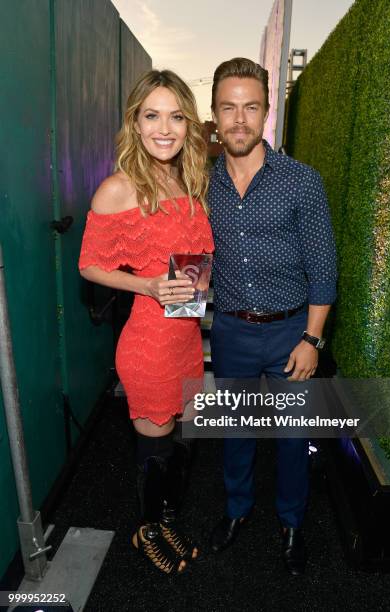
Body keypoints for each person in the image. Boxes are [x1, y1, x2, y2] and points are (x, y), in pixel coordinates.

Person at [78, 70, 214, 575]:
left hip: (184, 335)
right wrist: (148, 286)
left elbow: (191, 255)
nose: (165, 128)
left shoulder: (185, 180)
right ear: (135, 122)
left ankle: (167, 516)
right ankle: (146, 531)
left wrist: (196, 285)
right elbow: (90, 264)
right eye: (152, 115)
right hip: (148, 342)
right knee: (154, 451)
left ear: (188, 125)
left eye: (176, 116)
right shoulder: (119, 187)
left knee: (180, 444)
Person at [208, 58, 337, 575]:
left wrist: (312, 338)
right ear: (214, 114)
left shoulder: (301, 181)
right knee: (235, 433)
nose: (239, 119)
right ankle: (237, 512)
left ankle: (291, 524)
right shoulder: (203, 185)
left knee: (290, 439)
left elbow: (324, 269)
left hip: (291, 332)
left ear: (267, 114)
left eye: (251, 107)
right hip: (232, 330)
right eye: (228, 107)